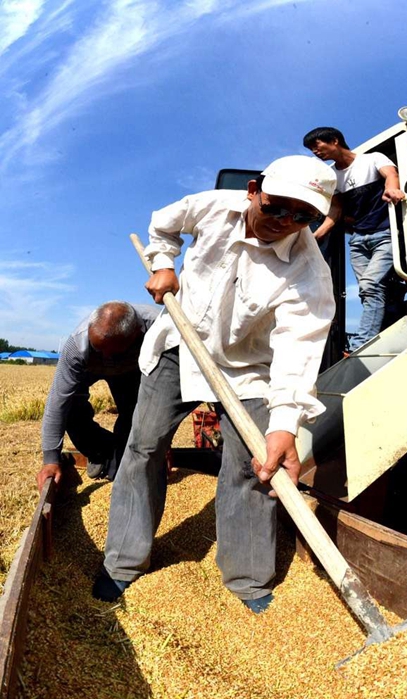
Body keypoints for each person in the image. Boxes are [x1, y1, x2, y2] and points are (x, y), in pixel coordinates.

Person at [92, 155, 337, 613]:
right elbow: (163, 224)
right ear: (253, 190)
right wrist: (163, 262)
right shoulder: (211, 206)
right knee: (143, 448)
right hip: (179, 345)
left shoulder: (309, 270)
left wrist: (285, 423)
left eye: (303, 217)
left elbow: (297, 349)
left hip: (249, 367)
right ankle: (123, 562)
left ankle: (246, 578)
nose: (285, 223)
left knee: (251, 466)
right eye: (277, 208)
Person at [36, 302, 158, 493]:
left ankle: (123, 462)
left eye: (113, 352)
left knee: (133, 414)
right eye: (99, 349)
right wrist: (51, 459)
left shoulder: (156, 326)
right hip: (89, 367)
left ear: (135, 335)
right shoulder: (76, 346)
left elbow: (165, 393)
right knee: (71, 411)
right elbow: (57, 402)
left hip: (131, 369)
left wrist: (160, 443)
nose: (107, 358)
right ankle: (102, 455)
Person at [303, 126, 406, 351]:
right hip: (358, 240)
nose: (315, 152)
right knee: (368, 292)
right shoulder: (332, 176)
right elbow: (336, 211)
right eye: (311, 150)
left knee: (370, 286)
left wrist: (392, 190)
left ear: (335, 140)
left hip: (385, 234)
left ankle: (361, 345)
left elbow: (391, 175)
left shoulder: (372, 159)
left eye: (317, 146)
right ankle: (389, 332)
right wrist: (316, 235)